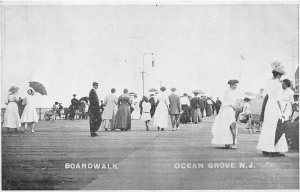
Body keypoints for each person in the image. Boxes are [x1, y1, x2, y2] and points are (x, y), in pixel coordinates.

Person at [257, 62, 288, 156]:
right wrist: (282, 110)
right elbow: (278, 99)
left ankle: (267, 149)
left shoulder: (269, 82)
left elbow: (265, 94)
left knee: (268, 126)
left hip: (269, 105)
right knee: (276, 126)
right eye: (281, 75)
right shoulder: (278, 84)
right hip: (275, 105)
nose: (281, 76)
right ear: (278, 74)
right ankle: (272, 149)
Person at [212, 79, 239, 149]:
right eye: (235, 85)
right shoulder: (227, 92)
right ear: (231, 85)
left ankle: (231, 142)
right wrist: (232, 105)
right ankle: (228, 142)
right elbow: (225, 102)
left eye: (236, 85)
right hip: (227, 110)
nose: (236, 86)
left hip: (231, 110)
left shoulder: (233, 92)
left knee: (232, 126)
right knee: (228, 125)